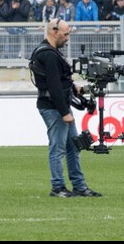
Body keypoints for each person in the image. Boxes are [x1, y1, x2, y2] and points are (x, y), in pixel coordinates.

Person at [29, 19, 101, 197]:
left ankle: (79, 186)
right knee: (58, 147)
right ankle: (58, 187)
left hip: (58, 106)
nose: (67, 38)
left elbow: (60, 82)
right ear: (55, 32)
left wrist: (75, 90)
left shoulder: (50, 53)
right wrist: (64, 113)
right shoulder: (49, 55)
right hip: (54, 108)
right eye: (66, 34)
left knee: (73, 147)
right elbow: (54, 87)